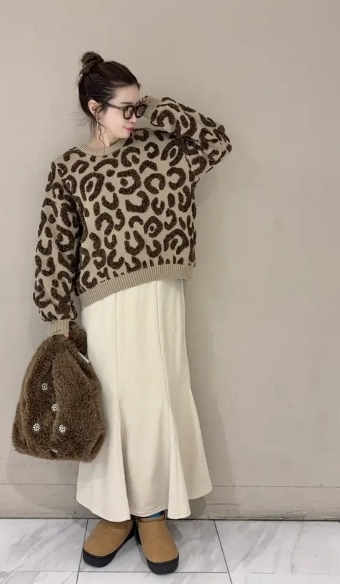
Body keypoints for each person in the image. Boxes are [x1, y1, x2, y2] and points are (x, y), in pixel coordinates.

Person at [33, 51, 232, 576]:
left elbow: (217, 141)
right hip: (103, 303)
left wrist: (157, 108)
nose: (135, 117)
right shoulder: (70, 167)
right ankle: (113, 513)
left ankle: (153, 513)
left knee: (158, 401)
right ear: (95, 109)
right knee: (112, 407)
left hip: (161, 295)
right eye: (125, 108)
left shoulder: (163, 151)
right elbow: (54, 244)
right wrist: (57, 319)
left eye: (139, 105)